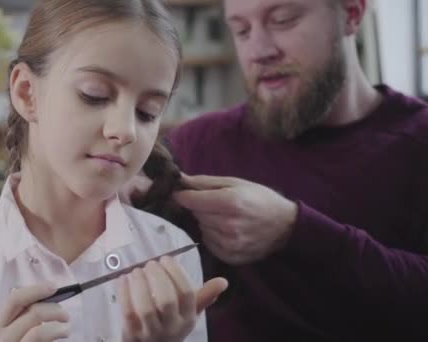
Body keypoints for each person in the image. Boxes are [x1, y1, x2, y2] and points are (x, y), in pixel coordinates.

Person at [0, 1, 228, 341]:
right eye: (95, 95)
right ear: (26, 92)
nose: (126, 130)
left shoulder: (171, 253)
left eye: (148, 112)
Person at [126, 0, 428, 340]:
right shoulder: (196, 144)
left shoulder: (417, 142)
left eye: (283, 20)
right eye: (241, 30)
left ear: (352, 13)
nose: (259, 51)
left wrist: (294, 231)